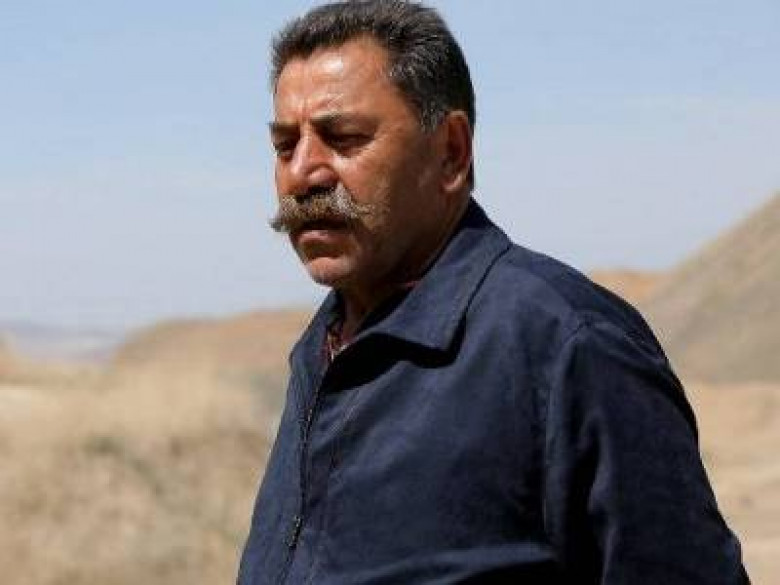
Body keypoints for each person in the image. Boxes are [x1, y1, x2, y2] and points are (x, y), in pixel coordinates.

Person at [238, 1, 749, 583]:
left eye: (344, 137)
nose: (303, 173)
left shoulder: (567, 346)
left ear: (451, 152)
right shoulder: (324, 350)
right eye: (285, 146)